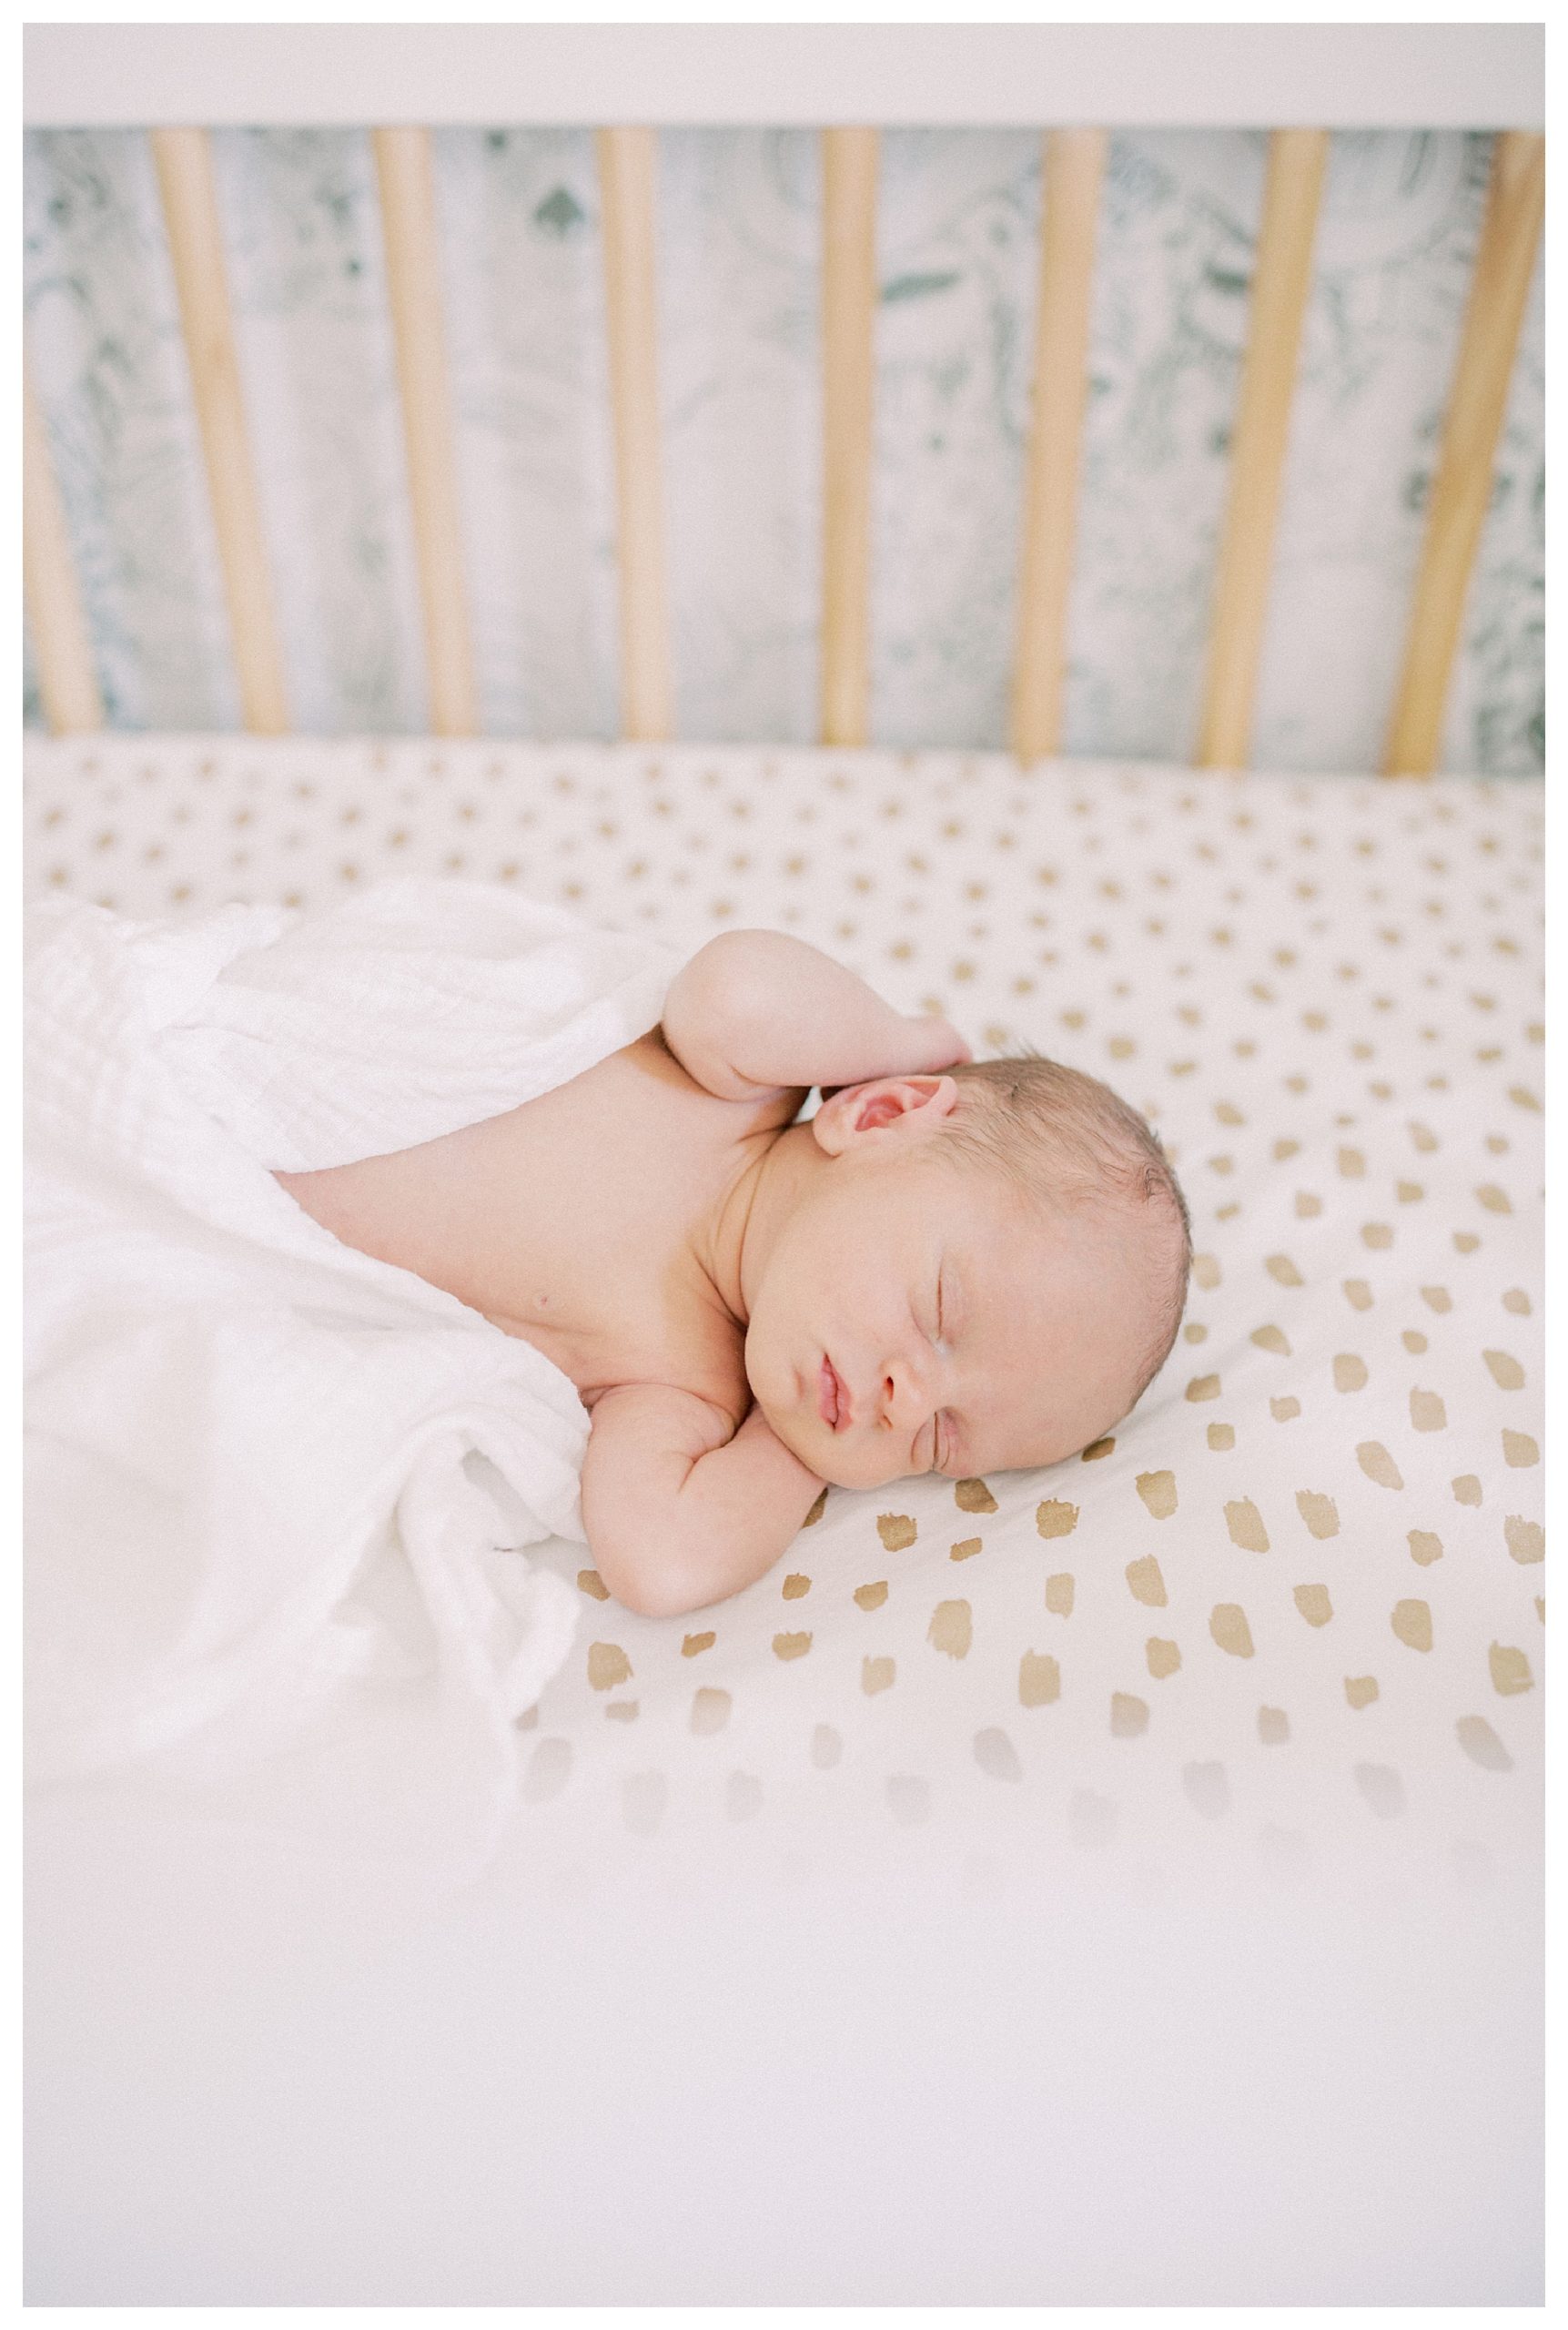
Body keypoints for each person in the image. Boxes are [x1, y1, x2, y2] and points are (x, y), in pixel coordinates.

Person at [278, 927, 1191, 1618]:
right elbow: (734, 988)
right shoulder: (730, 1085)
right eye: (941, 1312)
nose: (904, 1403)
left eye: (942, 1441)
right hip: (256, 1071)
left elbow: (661, 1562)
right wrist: (896, 1040)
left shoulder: (680, 1385)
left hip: (215, 1227)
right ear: (880, 1117)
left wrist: (801, 1445)